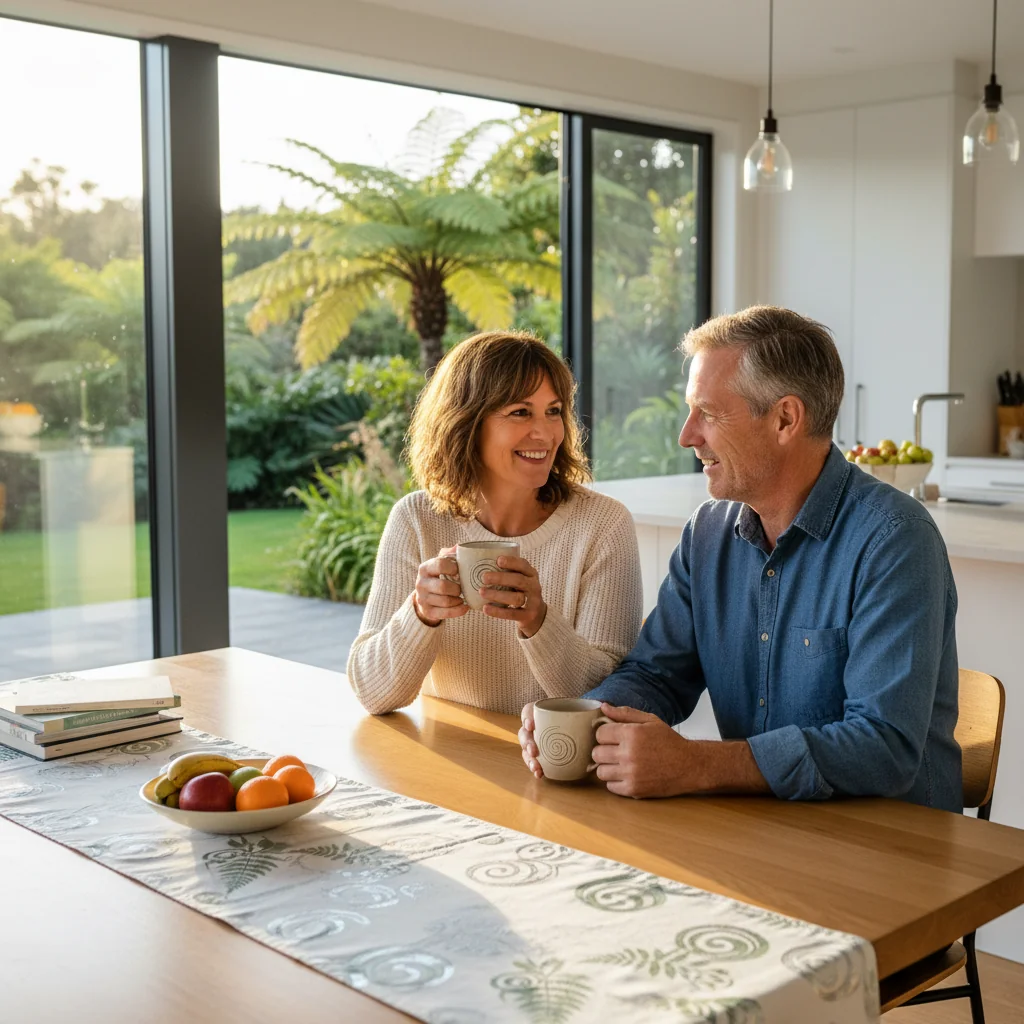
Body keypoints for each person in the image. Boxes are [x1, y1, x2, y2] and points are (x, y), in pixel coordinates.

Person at [519, 305, 962, 812]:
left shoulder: (895, 540)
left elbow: (884, 747)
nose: (687, 435)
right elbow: (657, 676)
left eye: (708, 413)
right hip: (765, 828)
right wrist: (585, 715)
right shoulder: (707, 534)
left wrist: (699, 765)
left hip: (894, 849)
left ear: (785, 419)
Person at [348, 330, 643, 716]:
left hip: (553, 767)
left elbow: (606, 697)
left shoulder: (604, 525)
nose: (545, 433)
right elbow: (372, 694)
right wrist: (420, 613)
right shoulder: (415, 518)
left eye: (553, 411)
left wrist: (538, 621)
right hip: (448, 758)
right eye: (521, 412)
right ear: (466, 423)